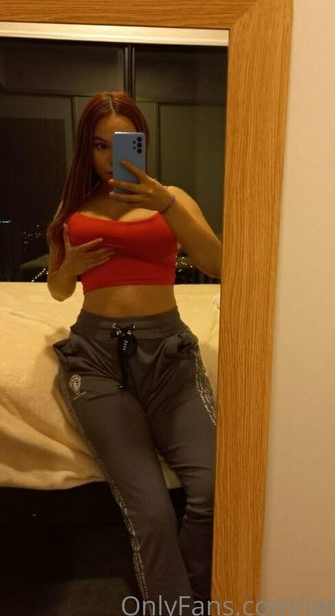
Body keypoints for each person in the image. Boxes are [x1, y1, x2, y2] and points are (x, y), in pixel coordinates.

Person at [47, 91, 220, 612]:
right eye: (100, 145)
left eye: (122, 143)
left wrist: (165, 205)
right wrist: (71, 268)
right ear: (87, 149)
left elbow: (219, 264)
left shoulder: (172, 198)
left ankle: (198, 597)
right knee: (152, 513)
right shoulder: (73, 208)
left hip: (168, 356)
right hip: (97, 361)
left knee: (215, 489)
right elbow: (58, 290)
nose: (110, 157)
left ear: (141, 142)